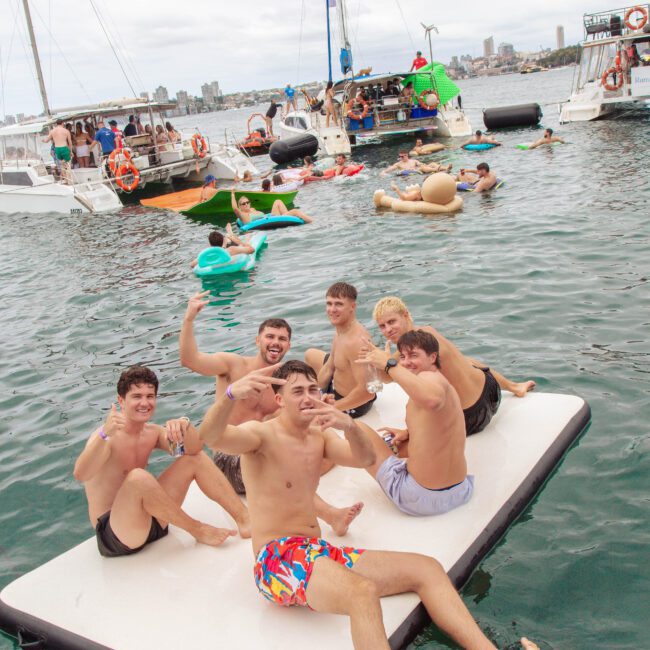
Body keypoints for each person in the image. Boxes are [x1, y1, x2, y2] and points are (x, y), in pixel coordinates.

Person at [197, 361, 539, 650]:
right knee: (362, 593)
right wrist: (230, 395)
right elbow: (211, 437)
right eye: (297, 391)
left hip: (318, 551)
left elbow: (362, 457)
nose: (307, 398)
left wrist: (349, 425)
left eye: (312, 390)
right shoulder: (261, 435)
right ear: (279, 399)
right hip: (277, 559)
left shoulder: (320, 436)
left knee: (427, 569)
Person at [179, 296, 363, 534]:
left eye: (282, 339)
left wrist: (322, 404)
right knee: (290, 462)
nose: (276, 342)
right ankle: (331, 514)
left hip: (266, 453)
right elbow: (189, 360)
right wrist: (189, 319)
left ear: (288, 345)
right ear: (258, 340)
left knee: (315, 445)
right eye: (270, 336)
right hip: (231, 457)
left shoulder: (284, 382)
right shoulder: (233, 366)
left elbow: (297, 419)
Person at [72, 365, 251, 558]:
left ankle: (245, 519)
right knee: (137, 478)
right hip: (118, 534)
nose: (144, 402)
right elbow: (81, 474)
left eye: (150, 396)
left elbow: (194, 450)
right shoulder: (106, 438)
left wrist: (185, 424)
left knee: (194, 461)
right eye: (137, 396)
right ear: (121, 401)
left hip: (152, 521)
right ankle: (197, 530)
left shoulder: (152, 433)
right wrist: (104, 433)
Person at [372, 296, 536, 436]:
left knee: (416, 396)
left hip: (471, 418)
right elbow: (388, 374)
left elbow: (423, 397)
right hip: (491, 391)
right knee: (466, 360)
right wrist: (387, 362)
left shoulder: (413, 355)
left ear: (405, 315)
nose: (388, 330)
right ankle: (514, 387)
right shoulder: (426, 332)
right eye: (382, 326)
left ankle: (408, 435)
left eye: (392, 322)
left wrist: (386, 363)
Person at [357, 330, 473, 515]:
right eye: (401, 356)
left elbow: (432, 401)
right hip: (460, 490)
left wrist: (388, 364)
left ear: (432, 357)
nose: (405, 362)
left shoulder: (429, 378)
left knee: (358, 430)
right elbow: (439, 422)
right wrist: (408, 433)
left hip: (420, 498)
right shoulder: (444, 384)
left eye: (413, 355)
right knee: (395, 444)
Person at [305, 282, 376, 418]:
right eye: (329, 303)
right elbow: (329, 367)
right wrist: (317, 394)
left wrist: (329, 408)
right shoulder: (341, 329)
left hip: (353, 404)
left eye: (338, 304)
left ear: (352, 307)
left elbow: (367, 393)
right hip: (335, 385)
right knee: (310, 355)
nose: (332, 309)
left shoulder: (357, 342)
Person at [231, 189, 313, 224]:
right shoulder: (243, 215)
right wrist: (232, 194)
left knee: (278, 201)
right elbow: (235, 208)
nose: (246, 204)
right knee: (295, 211)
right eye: (243, 204)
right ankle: (312, 222)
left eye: (247, 202)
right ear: (240, 207)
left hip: (271, 217)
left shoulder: (252, 209)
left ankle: (287, 215)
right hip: (270, 220)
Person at [381, 151, 450, 176]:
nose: (401, 158)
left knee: (432, 163)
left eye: (402, 156)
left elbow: (420, 163)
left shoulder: (413, 160)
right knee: (423, 168)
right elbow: (390, 169)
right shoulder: (398, 164)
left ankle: (446, 168)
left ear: (406, 155)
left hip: (418, 169)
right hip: (415, 172)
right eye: (400, 156)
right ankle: (436, 169)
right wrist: (384, 172)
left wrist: (421, 164)